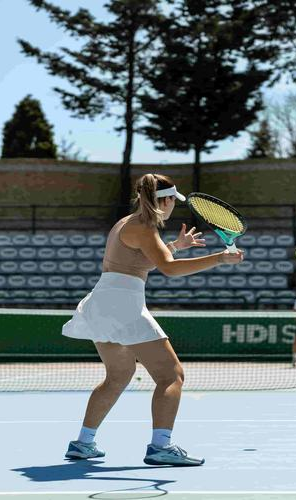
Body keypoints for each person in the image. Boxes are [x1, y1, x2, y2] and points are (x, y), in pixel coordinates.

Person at [61, 173, 244, 466]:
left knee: (117, 377)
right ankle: (161, 446)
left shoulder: (126, 223)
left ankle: (83, 443)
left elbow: (136, 261)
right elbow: (169, 270)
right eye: (174, 201)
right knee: (172, 376)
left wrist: (174, 247)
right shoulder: (144, 227)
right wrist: (219, 259)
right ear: (168, 200)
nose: (174, 206)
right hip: (123, 304)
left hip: (103, 302)